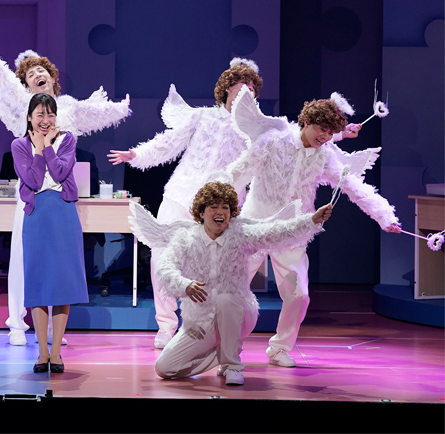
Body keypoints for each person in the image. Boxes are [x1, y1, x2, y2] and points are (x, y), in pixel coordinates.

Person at [109, 60, 360, 349]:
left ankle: (199, 329)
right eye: (244, 85)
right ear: (228, 87)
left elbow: (295, 134)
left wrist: (340, 133)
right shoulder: (202, 117)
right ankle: (166, 326)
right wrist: (137, 155)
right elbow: (169, 142)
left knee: (213, 269)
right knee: (162, 256)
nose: (249, 92)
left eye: (253, 89)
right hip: (181, 194)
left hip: (221, 207)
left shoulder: (254, 127)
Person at [0, 22, 130, 346]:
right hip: (31, 190)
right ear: (26, 85)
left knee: (59, 261)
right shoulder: (24, 105)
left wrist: (120, 108)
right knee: (23, 257)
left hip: (61, 192)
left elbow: (97, 112)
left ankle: (56, 331)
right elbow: (1, 75)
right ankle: (17, 324)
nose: (37, 74)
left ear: (53, 78)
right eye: (31, 74)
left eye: (42, 70)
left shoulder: (69, 108)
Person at [225, 89, 401, 367]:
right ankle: (226, 350)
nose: (326, 137)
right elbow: (238, 172)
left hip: (293, 232)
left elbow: (353, 186)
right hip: (255, 226)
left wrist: (384, 216)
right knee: (231, 291)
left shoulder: (325, 155)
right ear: (306, 121)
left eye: (331, 132)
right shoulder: (273, 141)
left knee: (299, 295)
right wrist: (214, 207)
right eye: (322, 129)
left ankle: (280, 349)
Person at [129, 181, 333, 385]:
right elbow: (164, 267)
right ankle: (222, 352)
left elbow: (276, 231)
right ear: (201, 213)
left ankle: (232, 365)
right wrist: (184, 284)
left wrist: (311, 220)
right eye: (214, 207)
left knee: (225, 299)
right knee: (165, 368)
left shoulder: (240, 234)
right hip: (201, 321)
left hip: (240, 313)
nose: (220, 212)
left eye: (225, 207)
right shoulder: (186, 238)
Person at [11, 93, 88, 372]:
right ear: (29, 117)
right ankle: (42, 352)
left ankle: (56, 352)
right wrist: (39, 148)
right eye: (40, 114)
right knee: (39, 283)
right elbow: (32, 180)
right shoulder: (19, 145)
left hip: (63, 214)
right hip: (37, 216)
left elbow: (58, 174)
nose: (46, 120)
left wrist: (47, 147)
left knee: (62, 283)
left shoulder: (66, 140)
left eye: (50, 114)